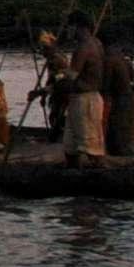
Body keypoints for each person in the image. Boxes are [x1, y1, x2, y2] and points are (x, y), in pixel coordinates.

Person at [57, 12, 106, 164]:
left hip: (85, 101)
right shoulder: (96, 43)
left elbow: (71, 79)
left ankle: (100, 174)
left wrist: (47, 89)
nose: (68, 31)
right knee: (70, 147)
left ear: (80, 27)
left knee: (91, 147)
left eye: (70, 27)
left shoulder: (84, 48)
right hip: (81, 99)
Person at [101, 30, 134, 158]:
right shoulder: (121, 58)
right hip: (127, 97)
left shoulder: (109, 59)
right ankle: (123, 151)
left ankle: (120, 154)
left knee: (117, 128)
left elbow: (105, 86)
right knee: (122, 128)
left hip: (121, 98)